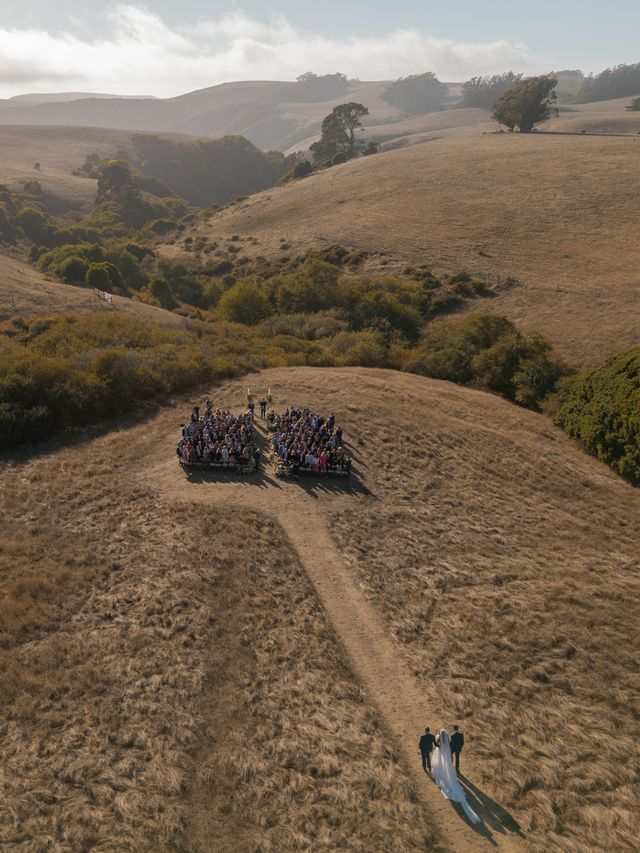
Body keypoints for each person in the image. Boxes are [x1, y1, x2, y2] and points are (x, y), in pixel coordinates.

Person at [431, 729, 479, 824]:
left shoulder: (440, 746)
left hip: (442, 760)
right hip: (448, 762)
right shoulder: (448, 745)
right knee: (449, 771)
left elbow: (437, 745)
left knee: (440, 768)